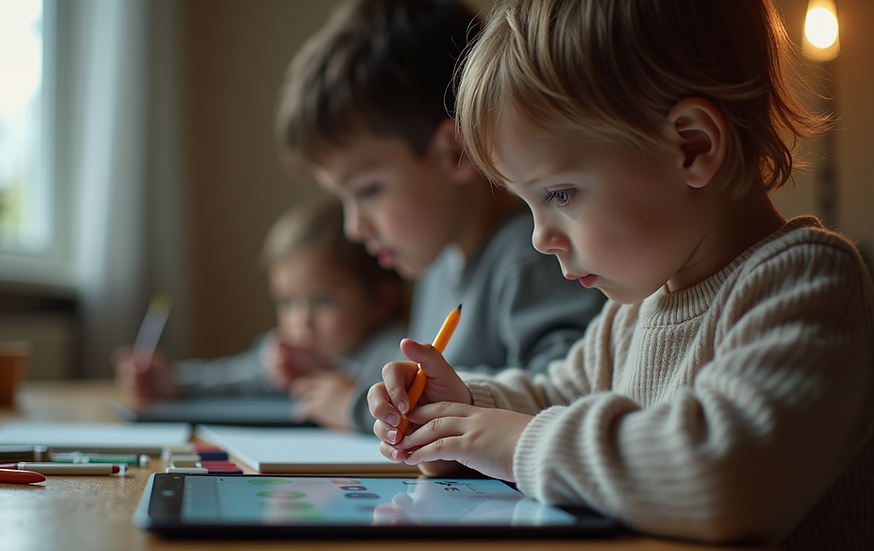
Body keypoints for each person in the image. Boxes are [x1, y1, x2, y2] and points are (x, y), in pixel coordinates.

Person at [367, 0, 874, 548]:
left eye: (561, 194)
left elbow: (725, 477)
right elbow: (558, 398)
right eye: (528, 204)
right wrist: (459, 413)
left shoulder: (809, 283)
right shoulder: (630, 317)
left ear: (692, 146)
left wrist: (518, 444)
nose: (539, 238)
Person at [274, 0, 606, 433]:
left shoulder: (536, 254)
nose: (355, 227)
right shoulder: (441, 265)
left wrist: (355, 406)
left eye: (369, 191)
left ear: (455, 152)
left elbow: (565, 400)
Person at [115, 197, 406, 429]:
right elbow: (232, 378)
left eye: (324, 300)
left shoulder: (394, 353)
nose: (301, 321)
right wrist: (174, 382)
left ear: (380, 300)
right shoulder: (291, 357)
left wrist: (345, 396)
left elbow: (406, 413)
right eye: (288, 302)